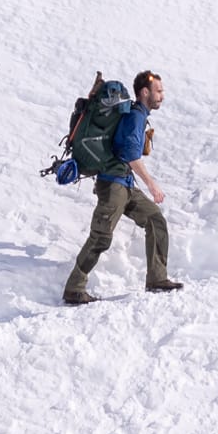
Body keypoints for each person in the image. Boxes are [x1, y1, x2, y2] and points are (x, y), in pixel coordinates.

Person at [63, 70, 183, 303]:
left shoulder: (138, 115)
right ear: (145, 92)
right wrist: (152, 184)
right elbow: (128, 153)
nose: (162, 96)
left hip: (125, 184)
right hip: (113, 186)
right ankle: (74, 289)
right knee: (101, 237)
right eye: (158, 91)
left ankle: (157, 279)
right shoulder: (136, 116)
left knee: (155, 219)